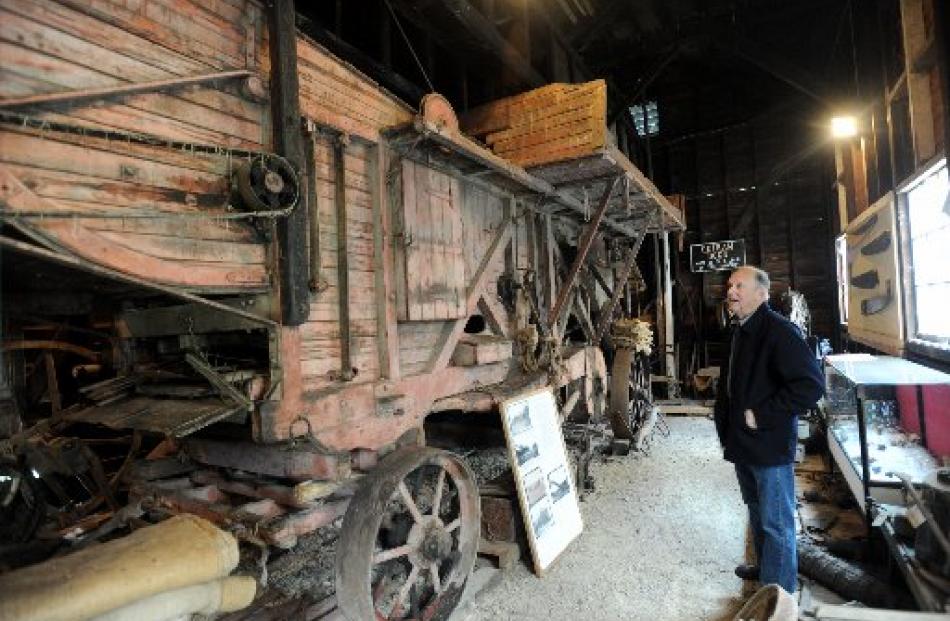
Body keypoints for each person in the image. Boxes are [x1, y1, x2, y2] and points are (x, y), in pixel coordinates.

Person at [714, 265, 824, 594]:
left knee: (777, 524)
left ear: (762, 294)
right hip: (743, 443)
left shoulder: (780, 331)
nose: (731, 291)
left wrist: (761, 415)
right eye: (730, 285)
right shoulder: (741, 329)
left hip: (768, 445)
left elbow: (810, 386)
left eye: (740, 286)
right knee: (757, 511)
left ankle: (778, 596)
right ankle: (767, 572)